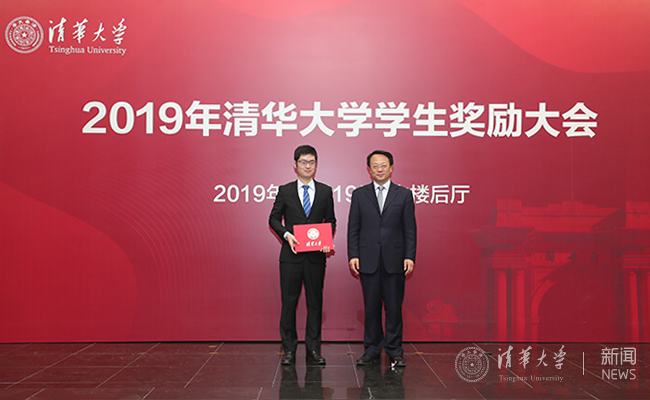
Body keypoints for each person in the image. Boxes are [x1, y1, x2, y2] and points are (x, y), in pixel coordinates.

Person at [347, 150, 417, 368]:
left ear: (391, 167)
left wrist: (409, 256)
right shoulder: (359, 195)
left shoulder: (404, 195)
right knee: (371, 307)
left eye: (383, 165)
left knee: (394, 308)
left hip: (395, 260)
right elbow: (353, 228)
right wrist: (353, 254)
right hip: (367, 259)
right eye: (375, 166)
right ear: (369, 169)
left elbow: (410, 229)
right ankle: (372, 350)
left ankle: (395, 351)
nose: (379, 169)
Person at [269, 145, 336, 365]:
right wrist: (286, 234)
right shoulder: (285, 190)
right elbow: (273, 219)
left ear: (316, 164)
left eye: (312, 162)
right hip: (291, 257)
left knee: (315, 303)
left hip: (316, 257)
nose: (308, 166)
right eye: (303, 162)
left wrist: (327, 240)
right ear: (295, 164)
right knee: (289, 303)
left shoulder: (325, 191)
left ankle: (313, 350)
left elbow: (331, 220)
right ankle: (289, 350)